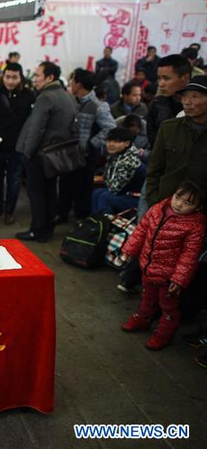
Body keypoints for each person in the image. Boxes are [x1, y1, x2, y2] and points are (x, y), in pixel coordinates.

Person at [120, 180, 206, 350]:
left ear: (197, 208)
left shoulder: (194, 226)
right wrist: (129, 249)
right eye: (178, 197)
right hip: (148, 267)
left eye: (187, 203)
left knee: (168, 308)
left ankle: (164, 334)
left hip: (168, 277)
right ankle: (143, 319)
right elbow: (141, 230)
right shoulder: (158, 208)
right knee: (147, 297)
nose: (179, 204)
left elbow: (190, 255)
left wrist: (179, 279)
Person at [15, 61, 77, 242]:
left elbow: (36, 129)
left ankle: (37, 230)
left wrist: (28, 152)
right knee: (50, 192)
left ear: (50, 77)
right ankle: (47, 230)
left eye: (38, 75)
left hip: (39, 154)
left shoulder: (46, 97)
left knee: (37, 194)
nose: (35, 79)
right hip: (56, 155)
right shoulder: (67, 96)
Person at [58, 68, 116, 223]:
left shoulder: (98, 105)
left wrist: (91, 144)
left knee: (82, 187)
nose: (71, 84)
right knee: (65, 184)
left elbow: (111, 127)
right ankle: (62, 214)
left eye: (73, 81)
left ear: (79, 84)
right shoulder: (72, 101)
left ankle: (81, 218)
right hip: (69, 152)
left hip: (86, 155)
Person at [0, 62, 35, 225]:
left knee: (14, 179)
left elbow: (32, 121)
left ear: (20, 78)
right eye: (8, 77)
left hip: (18, 147)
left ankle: (9, 211)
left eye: (14, 77)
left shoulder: (29, 96)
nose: (10, 81)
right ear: (3, 77)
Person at [146, 75, 207, 208]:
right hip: (164, 204)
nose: (187, 102)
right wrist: (153, 199)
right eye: (185, 96)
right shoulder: (169, 128)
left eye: (195, 96)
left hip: (200, 209)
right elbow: (154, 169)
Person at [91, 128, 146, 214]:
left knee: (104, 197)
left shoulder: (131, 161)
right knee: (96, 193)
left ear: (127, 143)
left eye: (116, 141)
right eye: (109, 141)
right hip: (124, 194)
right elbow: (108, 181)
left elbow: (115, 189)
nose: (111, 144)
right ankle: (95, 222)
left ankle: (105, 224)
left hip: (138, 199)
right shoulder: (115, 156)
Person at [147, 54, 192, 148]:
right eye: (159, 78)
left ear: (185, 78)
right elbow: (152, 137)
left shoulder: (200, 106)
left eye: (166, 78)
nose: (161, 84)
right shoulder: (157, 104)